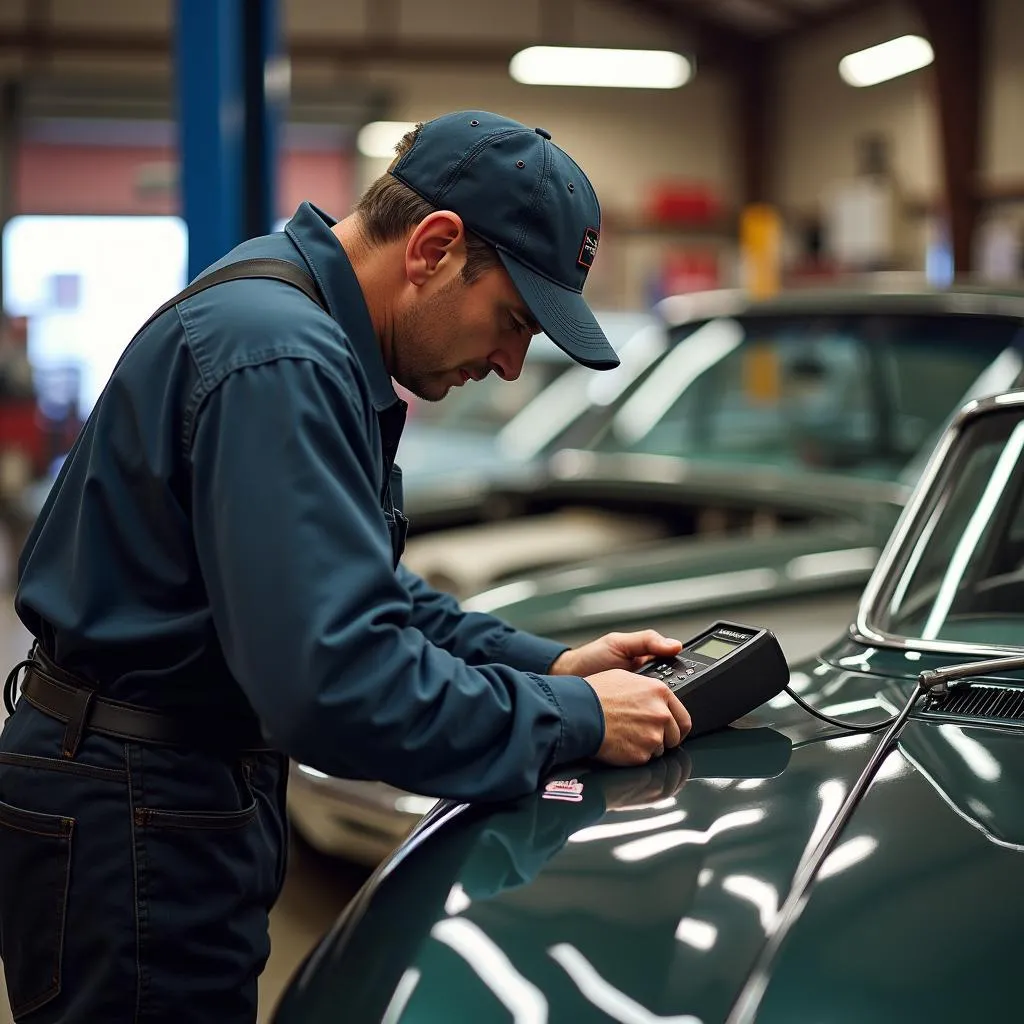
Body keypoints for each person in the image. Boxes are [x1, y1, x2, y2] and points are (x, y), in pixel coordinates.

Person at [0, 110, 690, 1023]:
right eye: (514, 320)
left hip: (153, 788)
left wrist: (548, 665)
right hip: (136, 810)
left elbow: (356, 589)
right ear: (435, 247)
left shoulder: (291, 316)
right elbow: (335, 685)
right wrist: (573, 719)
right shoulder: (284, 357)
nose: (513, 365)